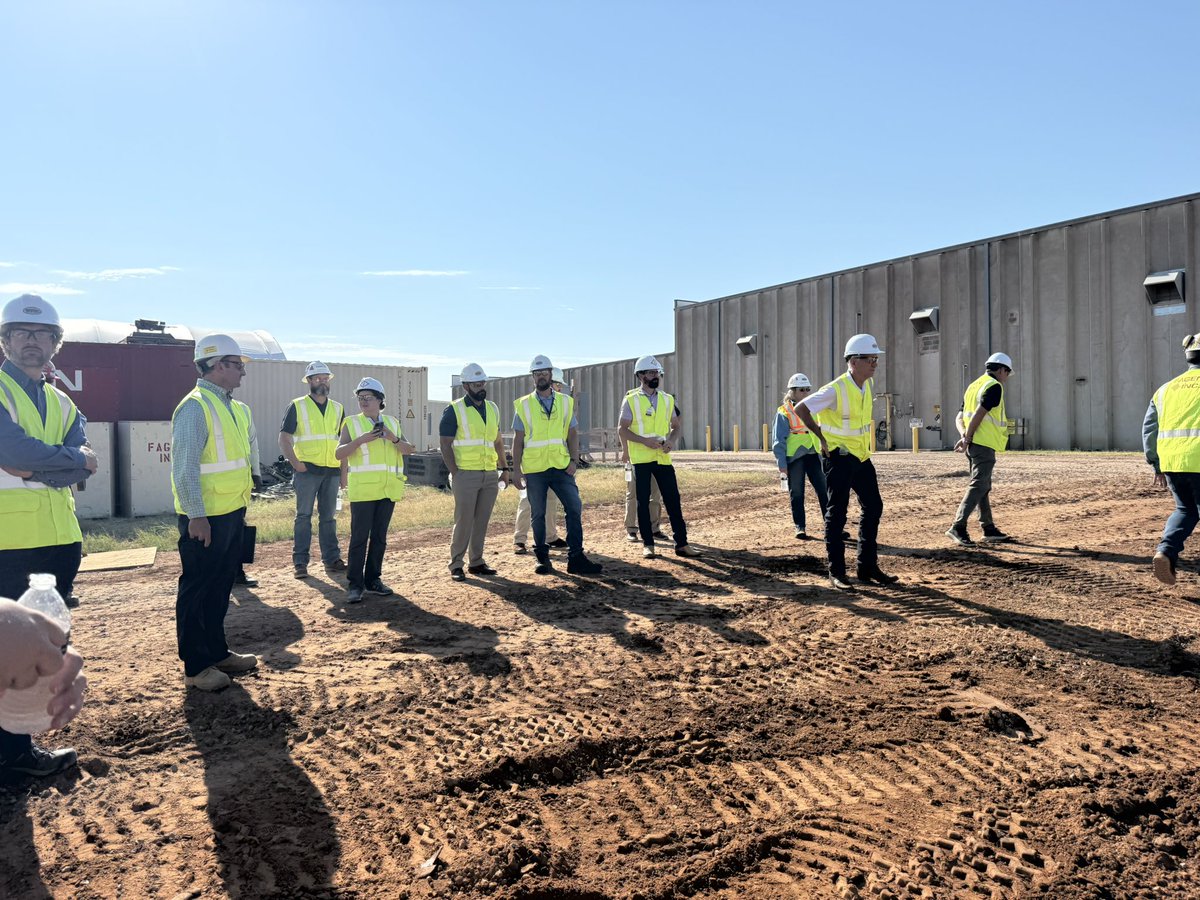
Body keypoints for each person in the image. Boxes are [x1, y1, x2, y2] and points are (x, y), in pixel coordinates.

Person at [0, 293, 96, 777]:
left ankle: (17, 746)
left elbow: (85, 459)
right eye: (21, 332)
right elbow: (13, 452)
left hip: (59, 540)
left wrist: (44, 467)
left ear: (56, 343)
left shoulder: (62, 401)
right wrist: (62, 464)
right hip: (9, 544)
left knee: (43, 651)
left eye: (42, 334)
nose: (32, 341)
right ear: (5, 340)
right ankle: (11, 756)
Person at [171, 334, 260, 691]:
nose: (242, 372)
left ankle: (217, 652)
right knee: (197, 589)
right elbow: (185, 468)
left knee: (220, 587)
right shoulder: (195, 407)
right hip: (205, 518)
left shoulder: (232, 406)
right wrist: (196, 515)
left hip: (231, 512)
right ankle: (196, 667)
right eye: (237, 365)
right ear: (218, 365)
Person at [797, 334, 898, 590]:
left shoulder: (867, 385)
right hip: (839, 458)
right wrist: (820, 437)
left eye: (876, 359)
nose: (875, 364)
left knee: (873, 506)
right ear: (853, 361)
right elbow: (801, 409)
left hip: (861, 457)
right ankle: (837, 572)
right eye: (870, 359)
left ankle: (867, 567)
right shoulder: (836, 389)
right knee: (837, 513)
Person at [511, 356, 603, 576]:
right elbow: (518, 439)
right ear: (533, 377)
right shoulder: (524, 404)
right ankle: (542, 559)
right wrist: (515, 470)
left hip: (561, 467)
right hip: (535, 469)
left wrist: (573, 460)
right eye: (537, 373)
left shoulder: (565, 402)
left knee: (574, 507)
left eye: (544, 373)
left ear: (551, 374)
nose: (541, 377)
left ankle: (576, 558)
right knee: (538, 514)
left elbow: (572, 432)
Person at [618, 355, 703, 559]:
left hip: (663, 459)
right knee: (643, 502)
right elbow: (622, 429)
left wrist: (672, 440)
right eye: (651, 372)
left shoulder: (667, 399)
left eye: (657, 372)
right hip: (641, 460)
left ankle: (682, 544)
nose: (655, 376)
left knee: (673, 501)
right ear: (640, 375)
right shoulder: (631, 399)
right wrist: (643, 442)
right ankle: (648, 544)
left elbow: (676, 427)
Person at [336, 377, 413, 602]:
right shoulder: (351, 423)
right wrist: (360, 441)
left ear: (380, 400)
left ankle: (373, 580)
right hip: (363, 492)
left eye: (368, 397)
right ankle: (355, 585)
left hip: (388, 490)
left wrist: (392, 438)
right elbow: (339, 453)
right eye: (360, 398)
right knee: (359, 539)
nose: (363, 401)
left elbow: (408, 449)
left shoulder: (393, 423)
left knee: (379, 538)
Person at [440, 364, 510, 582]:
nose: (481, 386)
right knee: (464, 521)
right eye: (476, 384)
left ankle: (477, 562)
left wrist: (504, 468)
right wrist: (456, 473)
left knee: (481, 521)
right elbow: (445, 444)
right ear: (466, 386)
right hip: (465, 474)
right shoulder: (454, 409)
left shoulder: (493, 408)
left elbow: (497, 441)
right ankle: (456, 564)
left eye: (482, 383)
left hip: (489, 474)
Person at [279, 361, 347, 580]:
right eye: (318, 378)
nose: (322, 382)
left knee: (329, 518)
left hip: (332, 471)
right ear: (309, 381)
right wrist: (296, 464)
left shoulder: (338, 408)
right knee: (303, 517)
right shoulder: (297, 405)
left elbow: (343, 442)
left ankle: (332, 559)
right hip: (307, 471)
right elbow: (284, 438)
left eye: (325, 378)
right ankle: (300, 563)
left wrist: (343, 473)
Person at [1144, 333, 1200, 585]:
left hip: (1173, 463)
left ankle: (1166, 552)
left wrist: (1156, 464)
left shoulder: (1165, 390)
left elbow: (1149, 430)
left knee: (1185, 510)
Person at [947, 352, 1015, 546]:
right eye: (1007, 373)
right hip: (983, 444)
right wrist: (967, 437)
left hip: (974, 444)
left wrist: (964, 436)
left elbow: (959, 417)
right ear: (1001, 370)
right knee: (979, 485)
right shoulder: (994, 386)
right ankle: (958, 526)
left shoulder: (974, 386)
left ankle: (988, 528)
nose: (1006, 377)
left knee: (982, 485)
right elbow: (979, 413)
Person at [513, 368, 568, 553]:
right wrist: (518, 468)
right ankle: (519, 539)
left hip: (554, 463)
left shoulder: (560, 404)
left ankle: (550, 536)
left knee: (551, 501)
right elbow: (519, 439)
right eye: (559, 385)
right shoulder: (528, 405)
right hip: (534, 465)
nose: (560, 388)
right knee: (528, 502)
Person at [773, 372, 830, 540]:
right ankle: (800, 527)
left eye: (808, 389)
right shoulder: (783, 412)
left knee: (824, 490)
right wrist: (782, 465)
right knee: (797, 493)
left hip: (813, 453)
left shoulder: (814, 407)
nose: (806, 393)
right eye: (802, 390)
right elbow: (778, 441)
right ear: (793, 392)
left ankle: (832, 526)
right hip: (795, 457)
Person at [234, 397, 262, 587]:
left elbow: (252, 444)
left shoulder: (243, 409)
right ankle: (220, 579)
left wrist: (256, 473)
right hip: (214, 488)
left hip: (240, 486)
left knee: (238, 530)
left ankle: (237, 573)